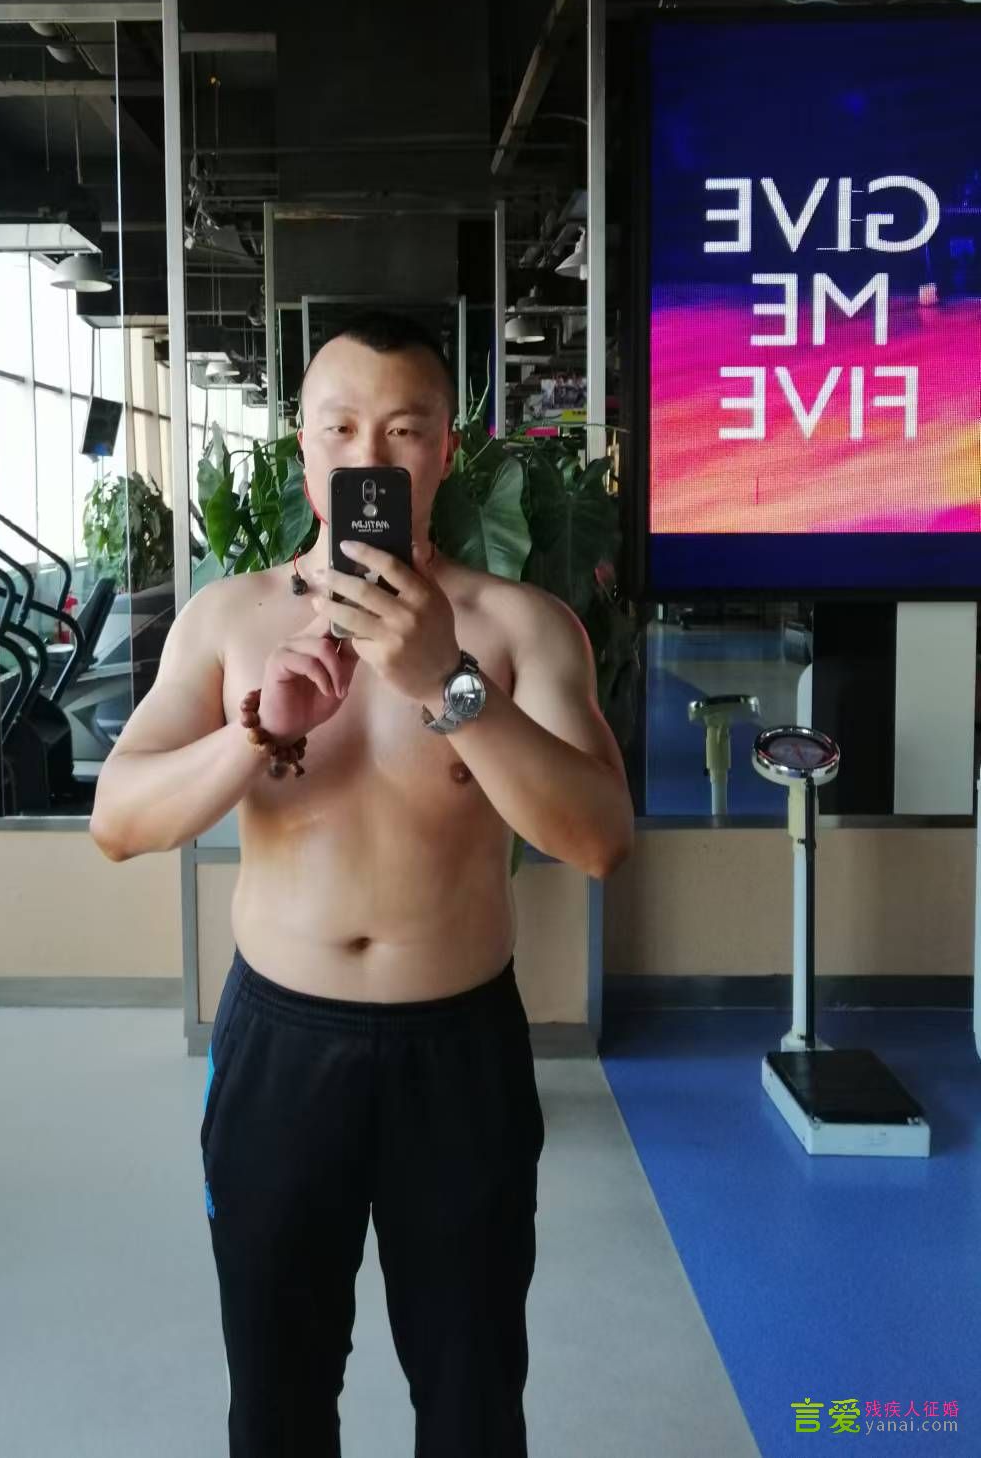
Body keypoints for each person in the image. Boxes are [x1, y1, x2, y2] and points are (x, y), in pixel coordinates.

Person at [91, 310, 634, 1458]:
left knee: (471, 1395)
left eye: (404, 428)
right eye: (340, 427)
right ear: (303, 448)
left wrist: (448, 684)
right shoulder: (230, 618)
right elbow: (119, 820)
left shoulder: (520, 626)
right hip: (281, 1051)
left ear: (445, 451)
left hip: (459, 1051)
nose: (369, 456)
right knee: (277, 1399)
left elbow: (597, 839)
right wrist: (255, 728)